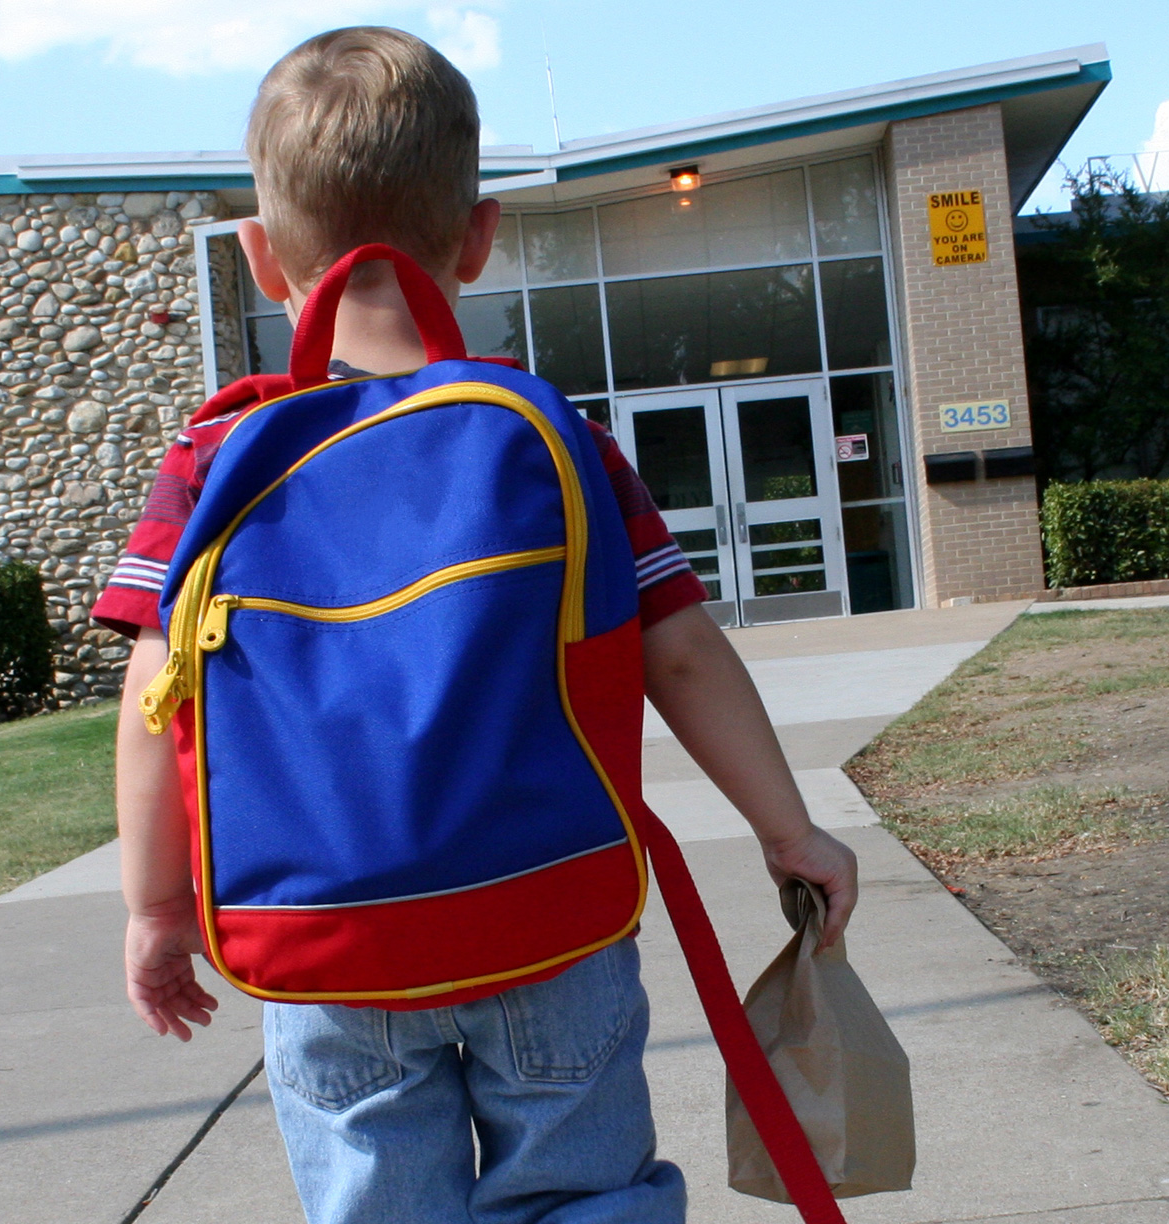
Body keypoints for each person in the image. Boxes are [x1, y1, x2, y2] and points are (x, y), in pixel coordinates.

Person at [88, 26, 860, 1224]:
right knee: (582, 1193)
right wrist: (788, 829)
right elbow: (682, 651)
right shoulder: (557, 442)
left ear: (258, 258)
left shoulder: (211, 460)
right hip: (548, 916)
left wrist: (153, 910)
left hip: (325, 939)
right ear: (482, 236)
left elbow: (154, 702)